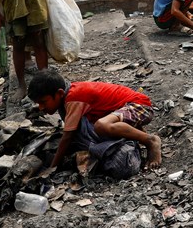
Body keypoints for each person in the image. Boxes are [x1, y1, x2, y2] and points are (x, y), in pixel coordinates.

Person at [28, 69, 163, 170]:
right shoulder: (69, 93)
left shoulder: (73, 98)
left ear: (59, 93)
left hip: (139, 106)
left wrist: (53, 167)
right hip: (125, 109)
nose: (41, 107)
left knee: (101, 125)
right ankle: (138, 136)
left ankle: (150, 140)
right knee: (98, 125)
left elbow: (67, 136)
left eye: (43, 102)